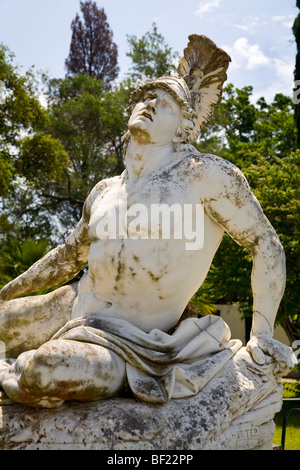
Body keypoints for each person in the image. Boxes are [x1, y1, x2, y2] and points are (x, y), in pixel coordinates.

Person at [0, 35, 294, 408]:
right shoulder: (105, 190)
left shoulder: (202, 175)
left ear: (184, 127)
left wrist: (262, 335)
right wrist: (6, 293)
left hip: (135, 343)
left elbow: (265, 243)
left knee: (43, 370)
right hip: (72, 309)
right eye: (146, 97)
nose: (152, 104)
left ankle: (20, 373)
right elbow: (66, 257)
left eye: (168, 103)